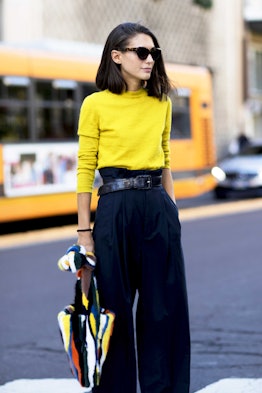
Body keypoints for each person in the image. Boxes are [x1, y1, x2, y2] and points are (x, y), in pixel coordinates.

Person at [76, 22, 190, 393]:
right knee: (114, 312)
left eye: (154, 53)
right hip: (113, 208)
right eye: (141, 52)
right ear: (117, 56)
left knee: (163, 309)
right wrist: (84, 233)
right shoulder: (95, 104)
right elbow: (85, 168)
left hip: (157, 207)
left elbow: (166, 160)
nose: (150, 60)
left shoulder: (162, 102)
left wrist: (172, 212)